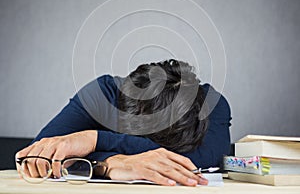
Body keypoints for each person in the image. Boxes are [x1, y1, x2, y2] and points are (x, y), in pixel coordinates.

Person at [16, 59, 231, 187]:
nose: (153, 156)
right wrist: (111, 163)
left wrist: (95, 140)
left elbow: (206, 158)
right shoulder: (102, 96)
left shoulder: (211, 103)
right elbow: (36, 160)